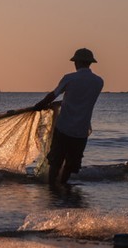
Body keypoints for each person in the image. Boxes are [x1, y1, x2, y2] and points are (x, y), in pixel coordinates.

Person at [33, 48, 104, 187]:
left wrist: (39, 106)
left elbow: (53, 95)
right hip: (81, 131)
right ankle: (63, 186)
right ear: (90, 63)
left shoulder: (70, 78)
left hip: (64, 127)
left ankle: (52, 189)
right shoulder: (98, 82)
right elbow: (82, 99)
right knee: (71, 164)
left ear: (77, 62)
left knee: (55, 161)